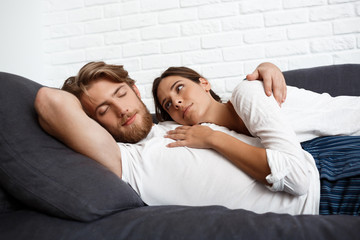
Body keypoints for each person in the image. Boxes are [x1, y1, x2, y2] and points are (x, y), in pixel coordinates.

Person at [34, 61, 314, 216]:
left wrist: (266, 68)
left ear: (134, 89)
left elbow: (236, 114)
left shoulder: (179, 119)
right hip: (315, 198)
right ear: (92, 122)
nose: (122, 110)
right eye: (104, 110)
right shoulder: (123, 159)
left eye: (121, 94)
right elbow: (49, 101)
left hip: (318, 161)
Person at [152, 66, 360, 215]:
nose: (177, 102)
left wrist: (213, 138)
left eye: (179, 88)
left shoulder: (247, 93)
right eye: (168, 104)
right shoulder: (222, 134)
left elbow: (297, 179)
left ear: (204, 83)